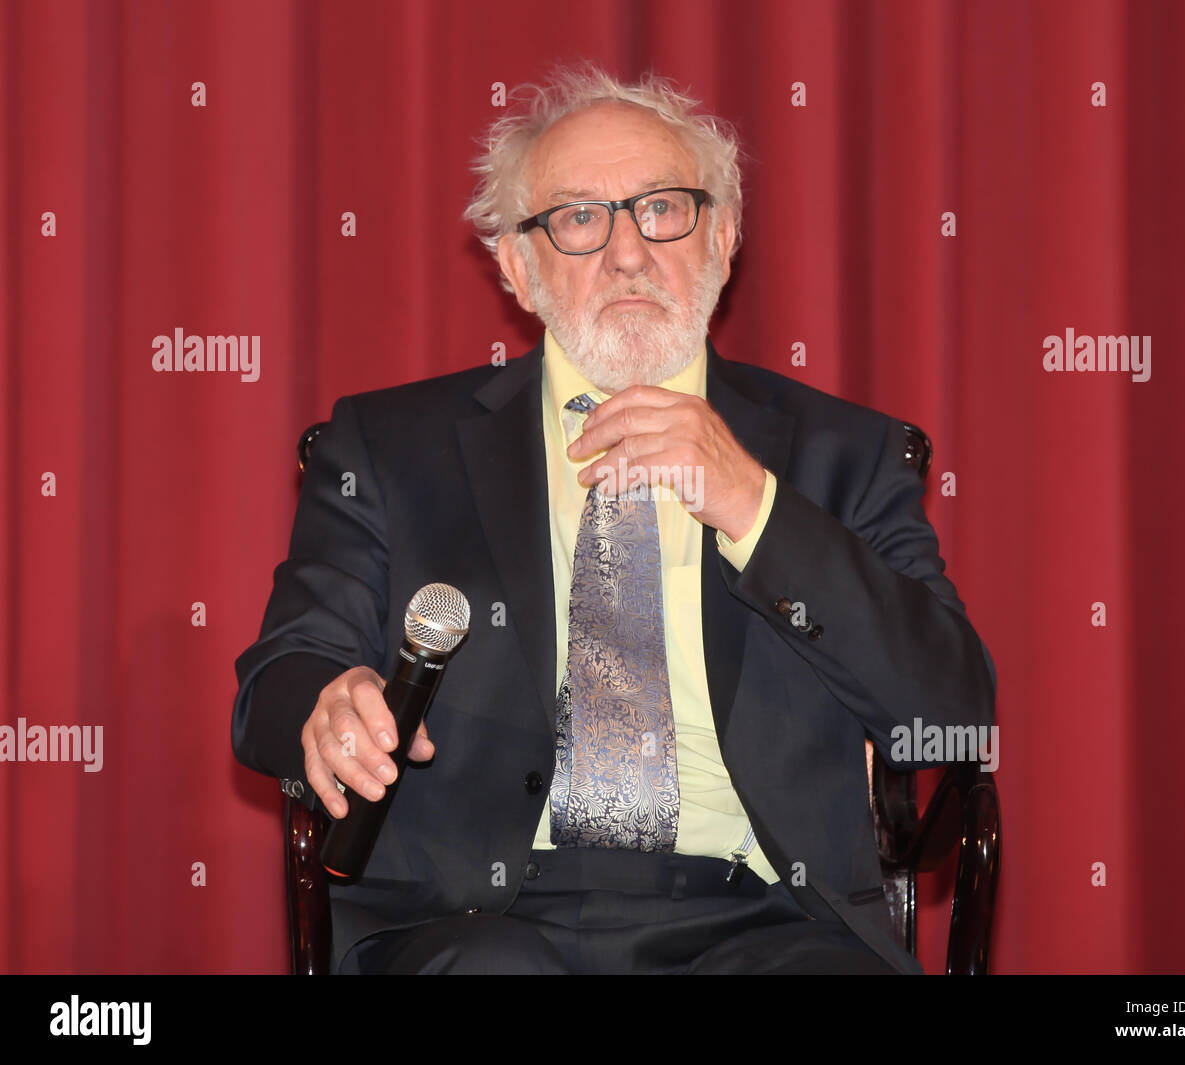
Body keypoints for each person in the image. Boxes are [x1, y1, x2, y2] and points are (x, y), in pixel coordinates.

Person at [231, 65, 996, 975]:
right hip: (480, 917)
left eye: (663, 207)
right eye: (581, 218)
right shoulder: (393, 447)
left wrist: (756, 506)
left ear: (723, 235)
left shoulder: (845, 455)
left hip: (771, 922)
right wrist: (323, 706)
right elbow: (277, 680)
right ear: (517, 265)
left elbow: (950, 715)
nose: (629, 252)